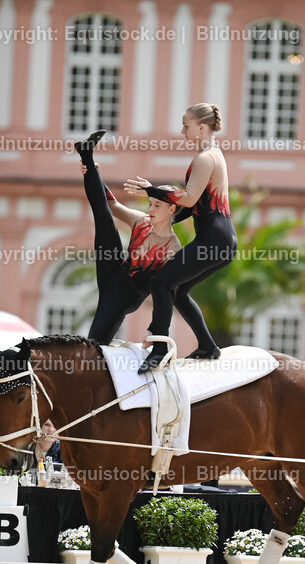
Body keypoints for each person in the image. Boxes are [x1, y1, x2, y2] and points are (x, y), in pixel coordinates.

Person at [124, 102, 236, 372]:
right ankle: (208, 346)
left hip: (213, 241)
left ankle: (160, 348)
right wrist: (165, 217)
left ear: (201, 127)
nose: (182, 130)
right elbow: (195, 205)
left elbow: (188, 198)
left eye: (186, 125)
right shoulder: (213, 155)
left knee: (161, 282)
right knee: (178, 290)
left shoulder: (205, 158)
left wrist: (152, 190)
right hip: (221, 240)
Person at [74, 130, 184, 344]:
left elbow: (167, 296)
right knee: (104, 217)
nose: (151, 209)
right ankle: (86, 154)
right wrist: (93, 174)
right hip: (115, 271)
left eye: (157, 205)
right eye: (150, 204)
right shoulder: (141, 221)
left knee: (95, 344)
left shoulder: (173, 249)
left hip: (126, 296)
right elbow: (111, 205)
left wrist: (157, 333)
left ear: (172, 209)